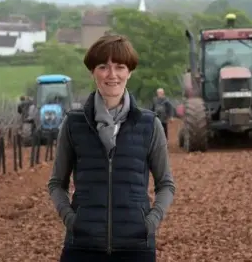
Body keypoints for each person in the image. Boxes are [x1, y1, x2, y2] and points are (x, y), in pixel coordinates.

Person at [47, 34, 176, 262]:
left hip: (136, 248)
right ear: (93, 71)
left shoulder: (149, 124)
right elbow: (57, 184)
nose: (112, 74)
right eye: (103, 66)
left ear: (129, 72)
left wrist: (150, 223)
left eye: (120, 67)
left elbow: (165, 184)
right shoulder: (73, 123)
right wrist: (72, 220)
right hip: (82, 247)